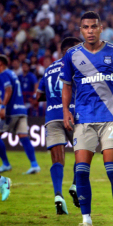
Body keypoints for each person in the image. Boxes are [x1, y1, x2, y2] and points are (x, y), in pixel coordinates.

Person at [60, 12, 113, 226]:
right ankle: (86, 223)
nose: (90, 31)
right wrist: (66, 110)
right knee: (80, 172)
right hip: (83, 119)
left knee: (112, 170)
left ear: (101, 28)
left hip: (111, 118)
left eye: (94, 26)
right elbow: (66, 86)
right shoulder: (72, 55)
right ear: (81, 30)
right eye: (86, 27)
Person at [35, 37, 82, 215]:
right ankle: (76, 185)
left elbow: (38, 95)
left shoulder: (48, 69)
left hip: (52, 116)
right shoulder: (77, 66)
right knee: (84, 150)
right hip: (72, 114)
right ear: (70, 50)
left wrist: (52, 99)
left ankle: (58, 196)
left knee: (57, 159)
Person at [0, 55, 40, 174]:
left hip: (11, 111)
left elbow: (8, 91)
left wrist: (3, 106)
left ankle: (6, 164)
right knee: (24, 137)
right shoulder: (12, 74)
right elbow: (9, 95)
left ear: (0, 64)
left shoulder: (3, 74)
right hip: (21, 110)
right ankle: (34, 165)